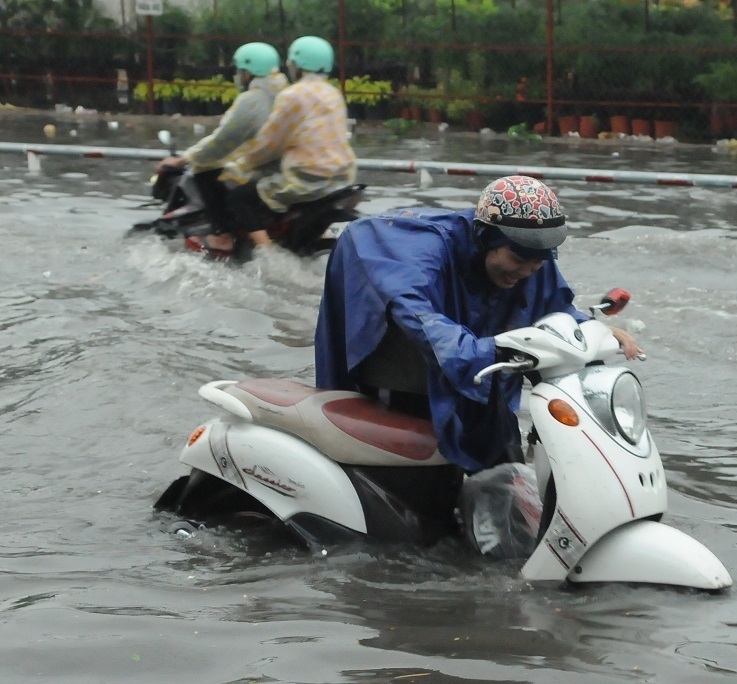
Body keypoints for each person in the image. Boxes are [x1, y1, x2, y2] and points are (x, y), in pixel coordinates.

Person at [314, 175, 642, 475]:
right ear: (486, 238)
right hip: (405, 378)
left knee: (507, 467)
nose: (527, 272)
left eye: (537, 263)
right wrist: (486, 348)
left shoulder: (529, 256)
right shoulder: (422, 252)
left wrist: (590, 329)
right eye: (517, 261)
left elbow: (554, 306)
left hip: (482, 372)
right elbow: (423, 321)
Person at [221, 35, 357, 252]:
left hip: (307, 179)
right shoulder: (334, 93)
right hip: (343, 177)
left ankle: (270, 254)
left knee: (239, 198)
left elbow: (270, 142)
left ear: (297, 66)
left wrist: (241, 164)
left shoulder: (292, 95)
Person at [154, 42, 287, 256]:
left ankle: (222, 234)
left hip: (266, 172)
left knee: (204, 170)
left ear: (249, 71)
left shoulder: (253, 100)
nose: (238, 75)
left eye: (240, 70)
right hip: (286, 167)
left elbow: (222, 141)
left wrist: (184, 160)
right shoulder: (285, 93)